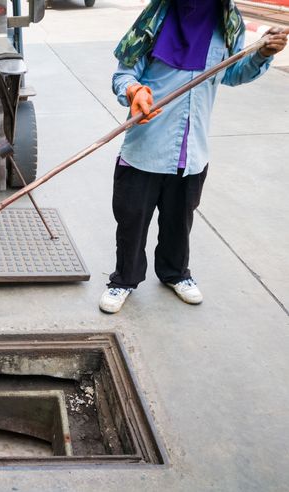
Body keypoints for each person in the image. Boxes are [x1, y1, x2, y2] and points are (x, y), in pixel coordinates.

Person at [99, 0, 288, 314]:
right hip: (146, 147)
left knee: (178, 221)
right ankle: (123, 281)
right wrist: (134, 91)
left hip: (193, 148)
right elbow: (123, 74)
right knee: (132, 220)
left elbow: (233, 73)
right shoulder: (155, 21)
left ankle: (175, 274)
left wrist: (263, 54)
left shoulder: (227, 24)